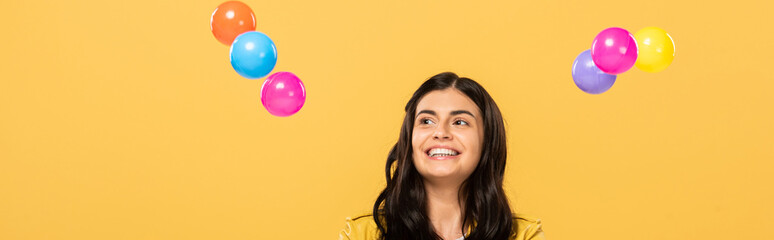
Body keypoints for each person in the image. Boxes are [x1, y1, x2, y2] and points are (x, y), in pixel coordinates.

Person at [339, 72, 546, 240]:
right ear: (409, 140)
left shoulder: (523, 236)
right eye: (427, 121)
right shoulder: (361, 235)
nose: (440, 132)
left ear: (487, 141)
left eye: (460, 122)